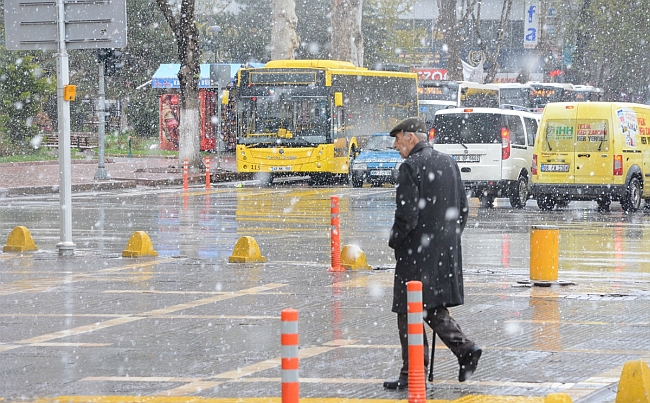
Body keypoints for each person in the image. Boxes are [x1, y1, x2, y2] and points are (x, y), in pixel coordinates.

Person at [383, 117, 481, 390]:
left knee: (408, 310)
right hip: (443, 254)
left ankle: (412, 372)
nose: (395, 144)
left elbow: (407, 216)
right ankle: (464, 349)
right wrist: (448, 239)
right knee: (432, 307)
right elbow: (462, 208)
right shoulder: (448, 162)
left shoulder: (410, 168)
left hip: (416, 254)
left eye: (398, 138)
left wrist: (395, 241)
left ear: (411, 138)